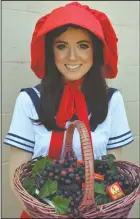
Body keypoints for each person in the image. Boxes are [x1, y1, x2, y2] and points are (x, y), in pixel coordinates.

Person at [3, 2, 134, 218]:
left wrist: (111, 208)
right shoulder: (28, 100)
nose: (72, 57)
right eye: (61, 46)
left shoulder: (113, 100)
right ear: (50, 51)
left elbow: (112, 171)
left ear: (96, 51)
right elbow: (18, 178)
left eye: (83, 45)